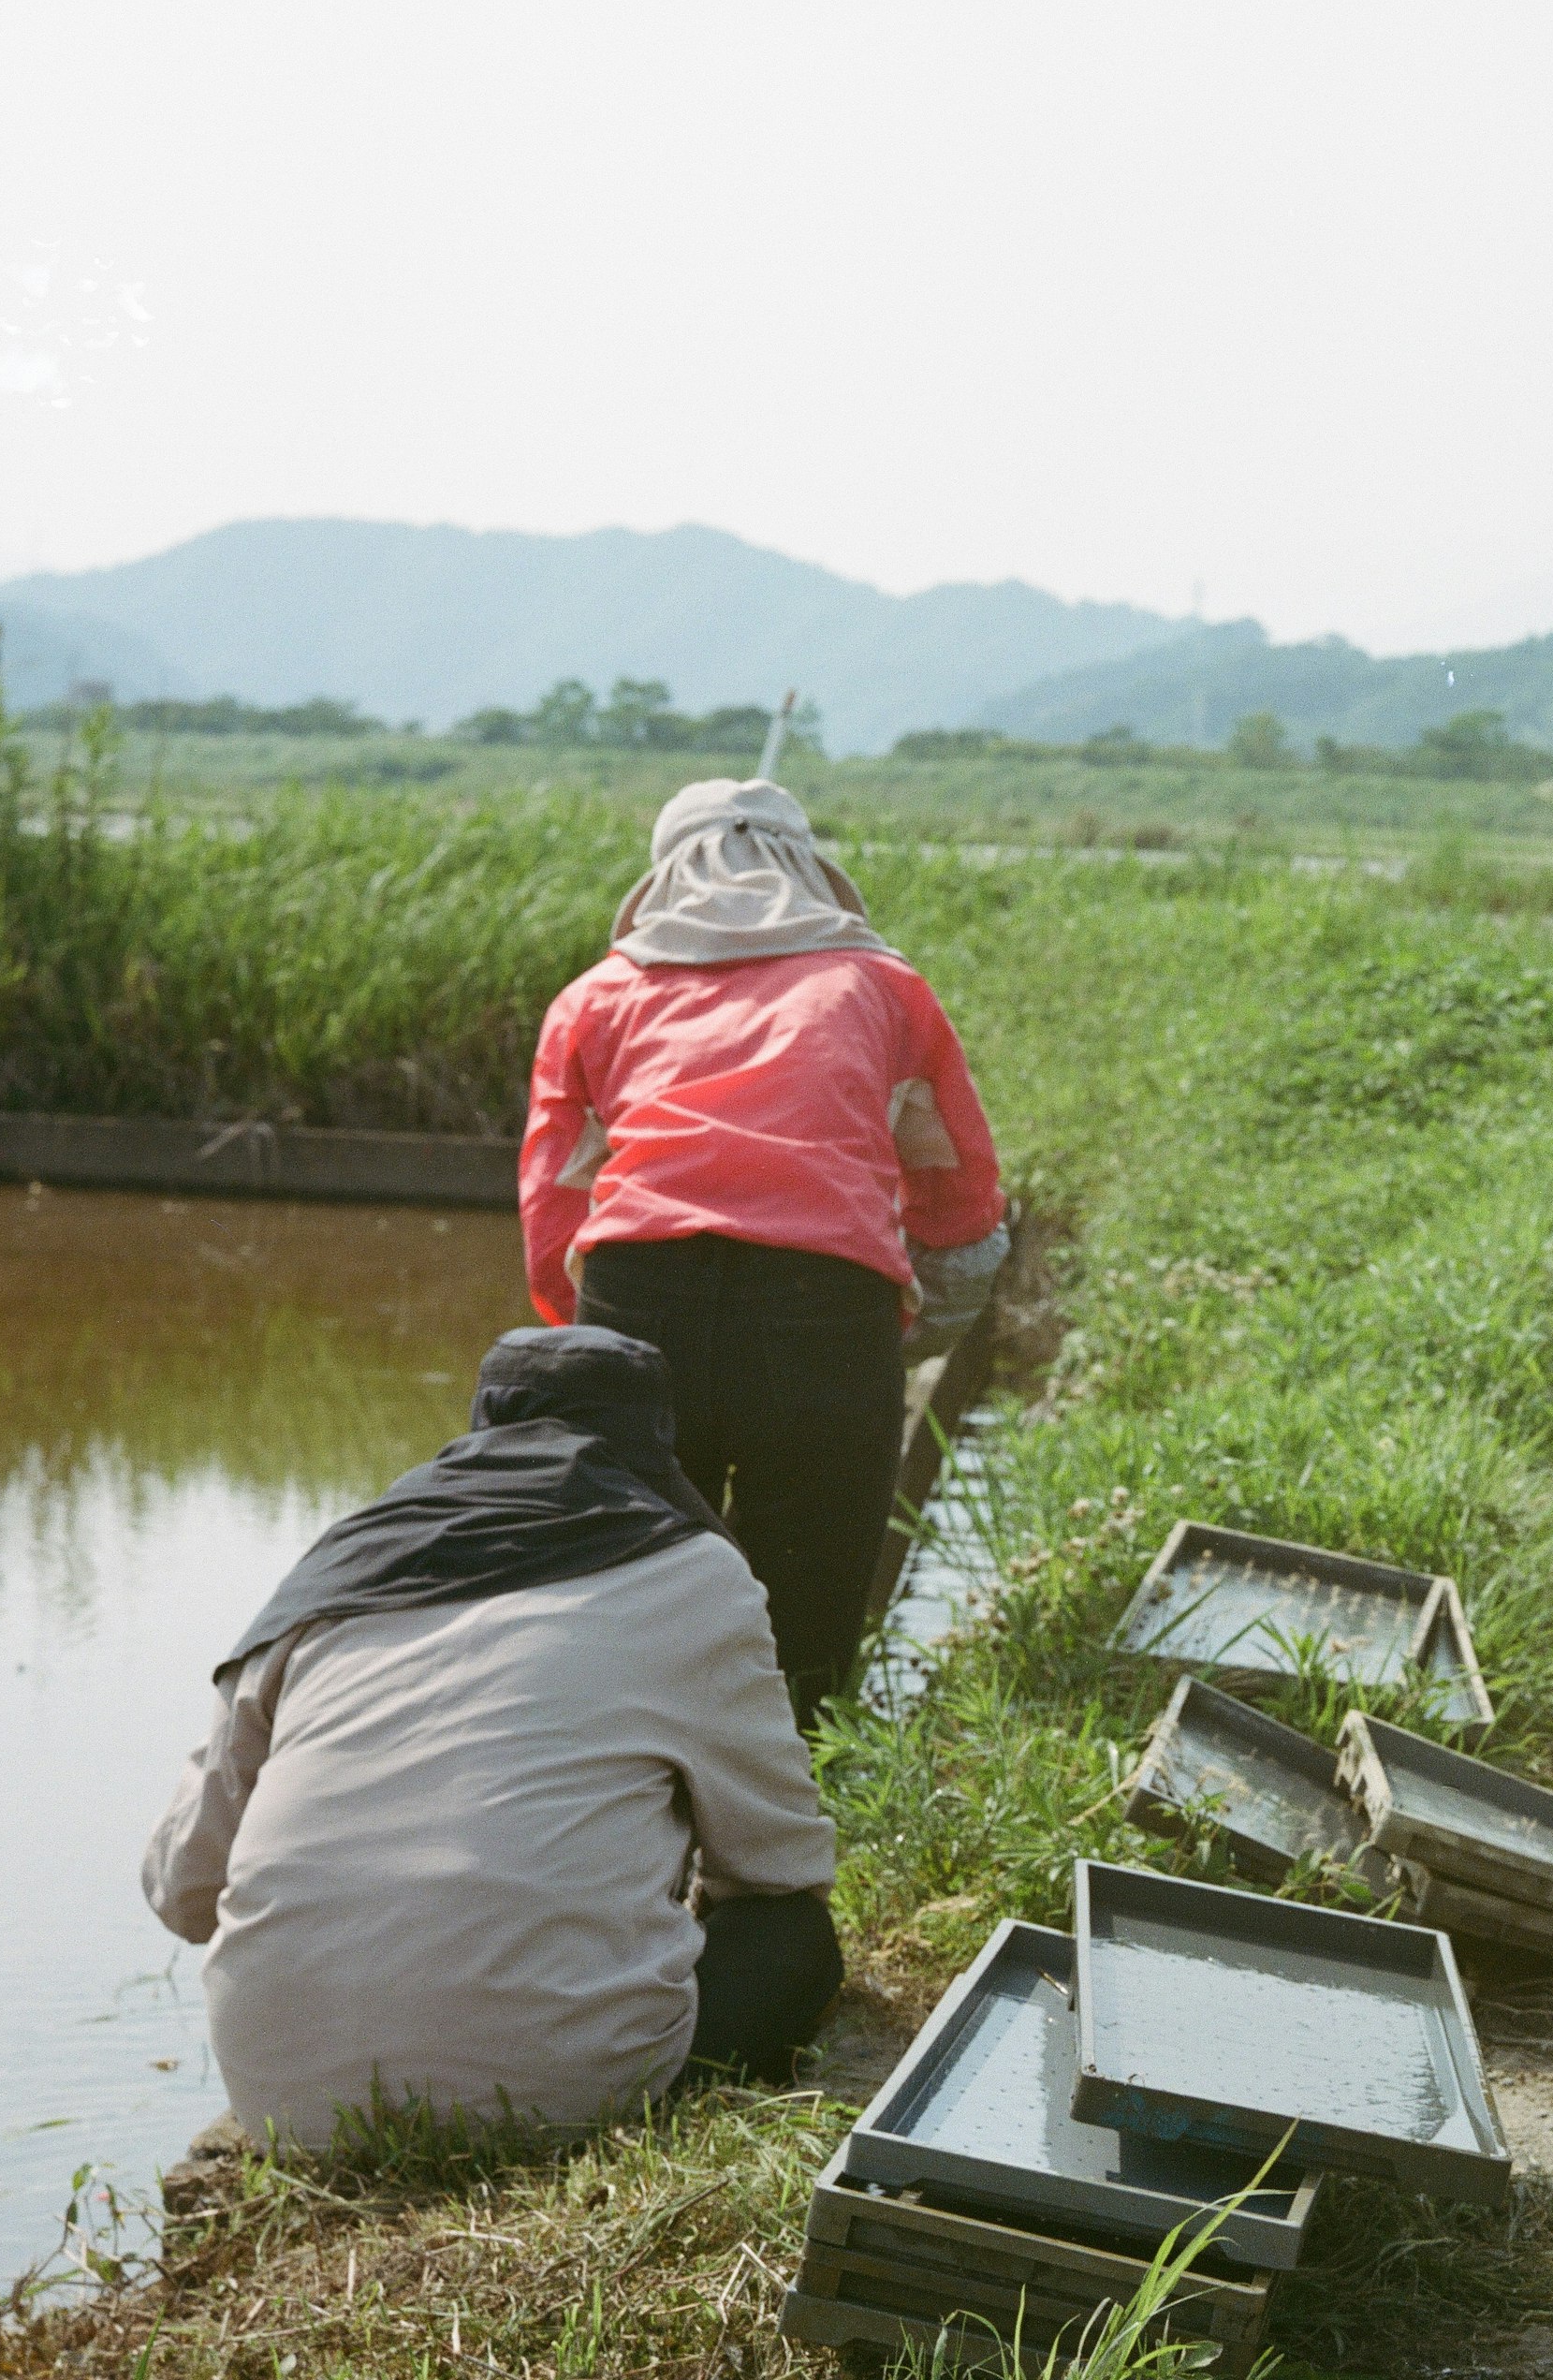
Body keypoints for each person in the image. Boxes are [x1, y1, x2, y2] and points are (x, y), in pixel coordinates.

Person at [142, 1324, 843, 2146]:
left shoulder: (326, 1583)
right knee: (797, 1941)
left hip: (287, 2101)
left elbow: (183, 1890)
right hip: (555, 2093)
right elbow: (781, 1866)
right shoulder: (695, 1576)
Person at [521, 780, 1008, 1722]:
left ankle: (640, 1843)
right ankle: (781, 1849)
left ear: (662, 876)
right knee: (807, 1625)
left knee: (638, 1610)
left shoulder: (595, 998)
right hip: (826, 1310)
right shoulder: (883, 989)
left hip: (637, 1305)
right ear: (811, 871)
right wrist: (898, 1336)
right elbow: (959, 1197)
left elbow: (555, 1208)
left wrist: (579, 1337)